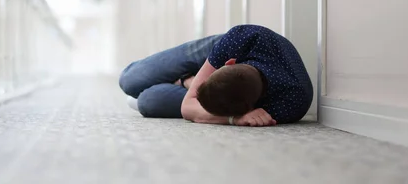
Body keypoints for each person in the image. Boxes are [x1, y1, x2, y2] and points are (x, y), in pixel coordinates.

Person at [118, 24, 313, 126]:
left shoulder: (292, 104)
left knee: (148, 101)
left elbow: (189, 108)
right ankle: (188, 80)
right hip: (218, 49)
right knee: (129, 80)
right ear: (229, 64)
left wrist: (234, 119)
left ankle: (189, 82)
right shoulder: (242, 37)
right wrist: (233, 120)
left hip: (235, 95)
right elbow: (188, 107)